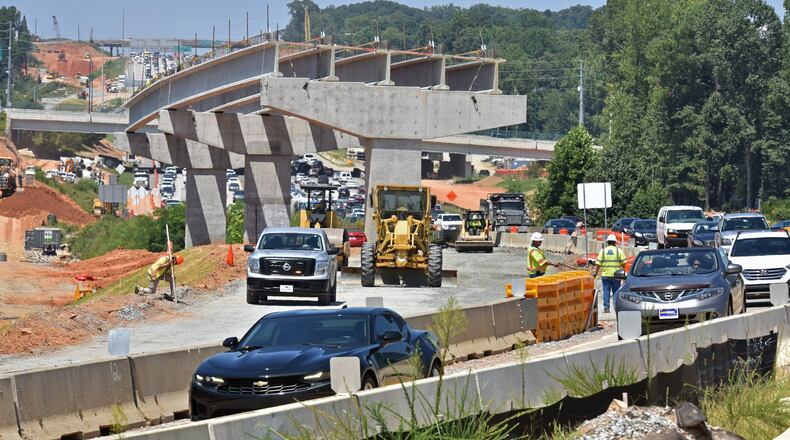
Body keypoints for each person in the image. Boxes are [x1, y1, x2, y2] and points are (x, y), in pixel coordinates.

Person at [593, 234, 627, 313]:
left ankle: (606, 308)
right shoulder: (618, 251)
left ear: (607, 242)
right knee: (616, 292)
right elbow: (624, 263)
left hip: (605, 275)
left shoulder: (603, 251)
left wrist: (595, 273)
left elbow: (598, 264)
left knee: (606, 292)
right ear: (615, 242)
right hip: (616, 276)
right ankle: (616, 308)